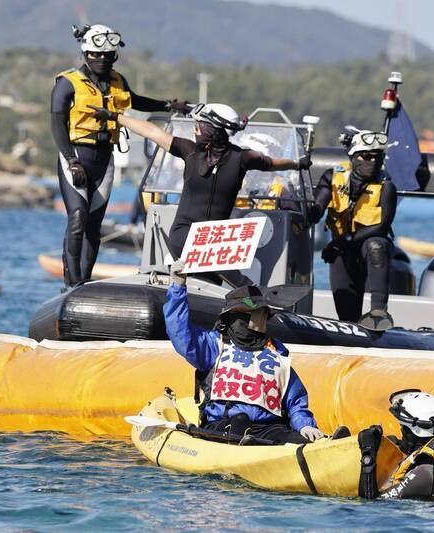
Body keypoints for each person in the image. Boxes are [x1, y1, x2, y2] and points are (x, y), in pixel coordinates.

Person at [51, 23, 188, 287]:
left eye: (107, 55)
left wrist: (170, 106)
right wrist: (71, 160)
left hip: (105, 159)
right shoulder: (67, 83)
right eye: (96, 54)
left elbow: (134, 100)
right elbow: (57, 124)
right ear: (86, 53)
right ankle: (71, 280)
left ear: (114, 56)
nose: (101, 59)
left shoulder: (118, 81)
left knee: (94, 224)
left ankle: (85, 282)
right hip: (76, 157)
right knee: (77, 217)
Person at [89, 102, 311, 262]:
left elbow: (272, 163)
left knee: (220, 273)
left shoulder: (242, 158)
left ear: (212, 130)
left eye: (199, 125)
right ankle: (246, 295)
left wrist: (297, 164)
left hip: (214, 243)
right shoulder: (190, 152)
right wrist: (115, 117)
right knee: (237, 280)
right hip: (185, 235)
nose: (195, 128)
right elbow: (152, 132)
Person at [163, 258, 325, 444]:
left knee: (297, 439)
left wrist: (305, 425)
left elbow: (295, 400)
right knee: (240, 422)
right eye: (261, 313)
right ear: (240, 318)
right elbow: (178, 331)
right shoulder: (214, 345)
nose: (266, 317)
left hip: (268, 429)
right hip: (222, 426)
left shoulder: (276, 353)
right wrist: (177, 285)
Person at [309, 129, 397, 330]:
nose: (373, 161)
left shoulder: (386, 186)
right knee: (347, 316)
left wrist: (341, 242)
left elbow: (382, 226)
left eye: (378, 157)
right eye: (366, 156)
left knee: (376, 245)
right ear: (353, 157)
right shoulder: (332, 178)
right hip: (343, 252)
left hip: (368, 248)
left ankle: (378, 312)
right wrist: (311, 210)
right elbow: (319, 204)